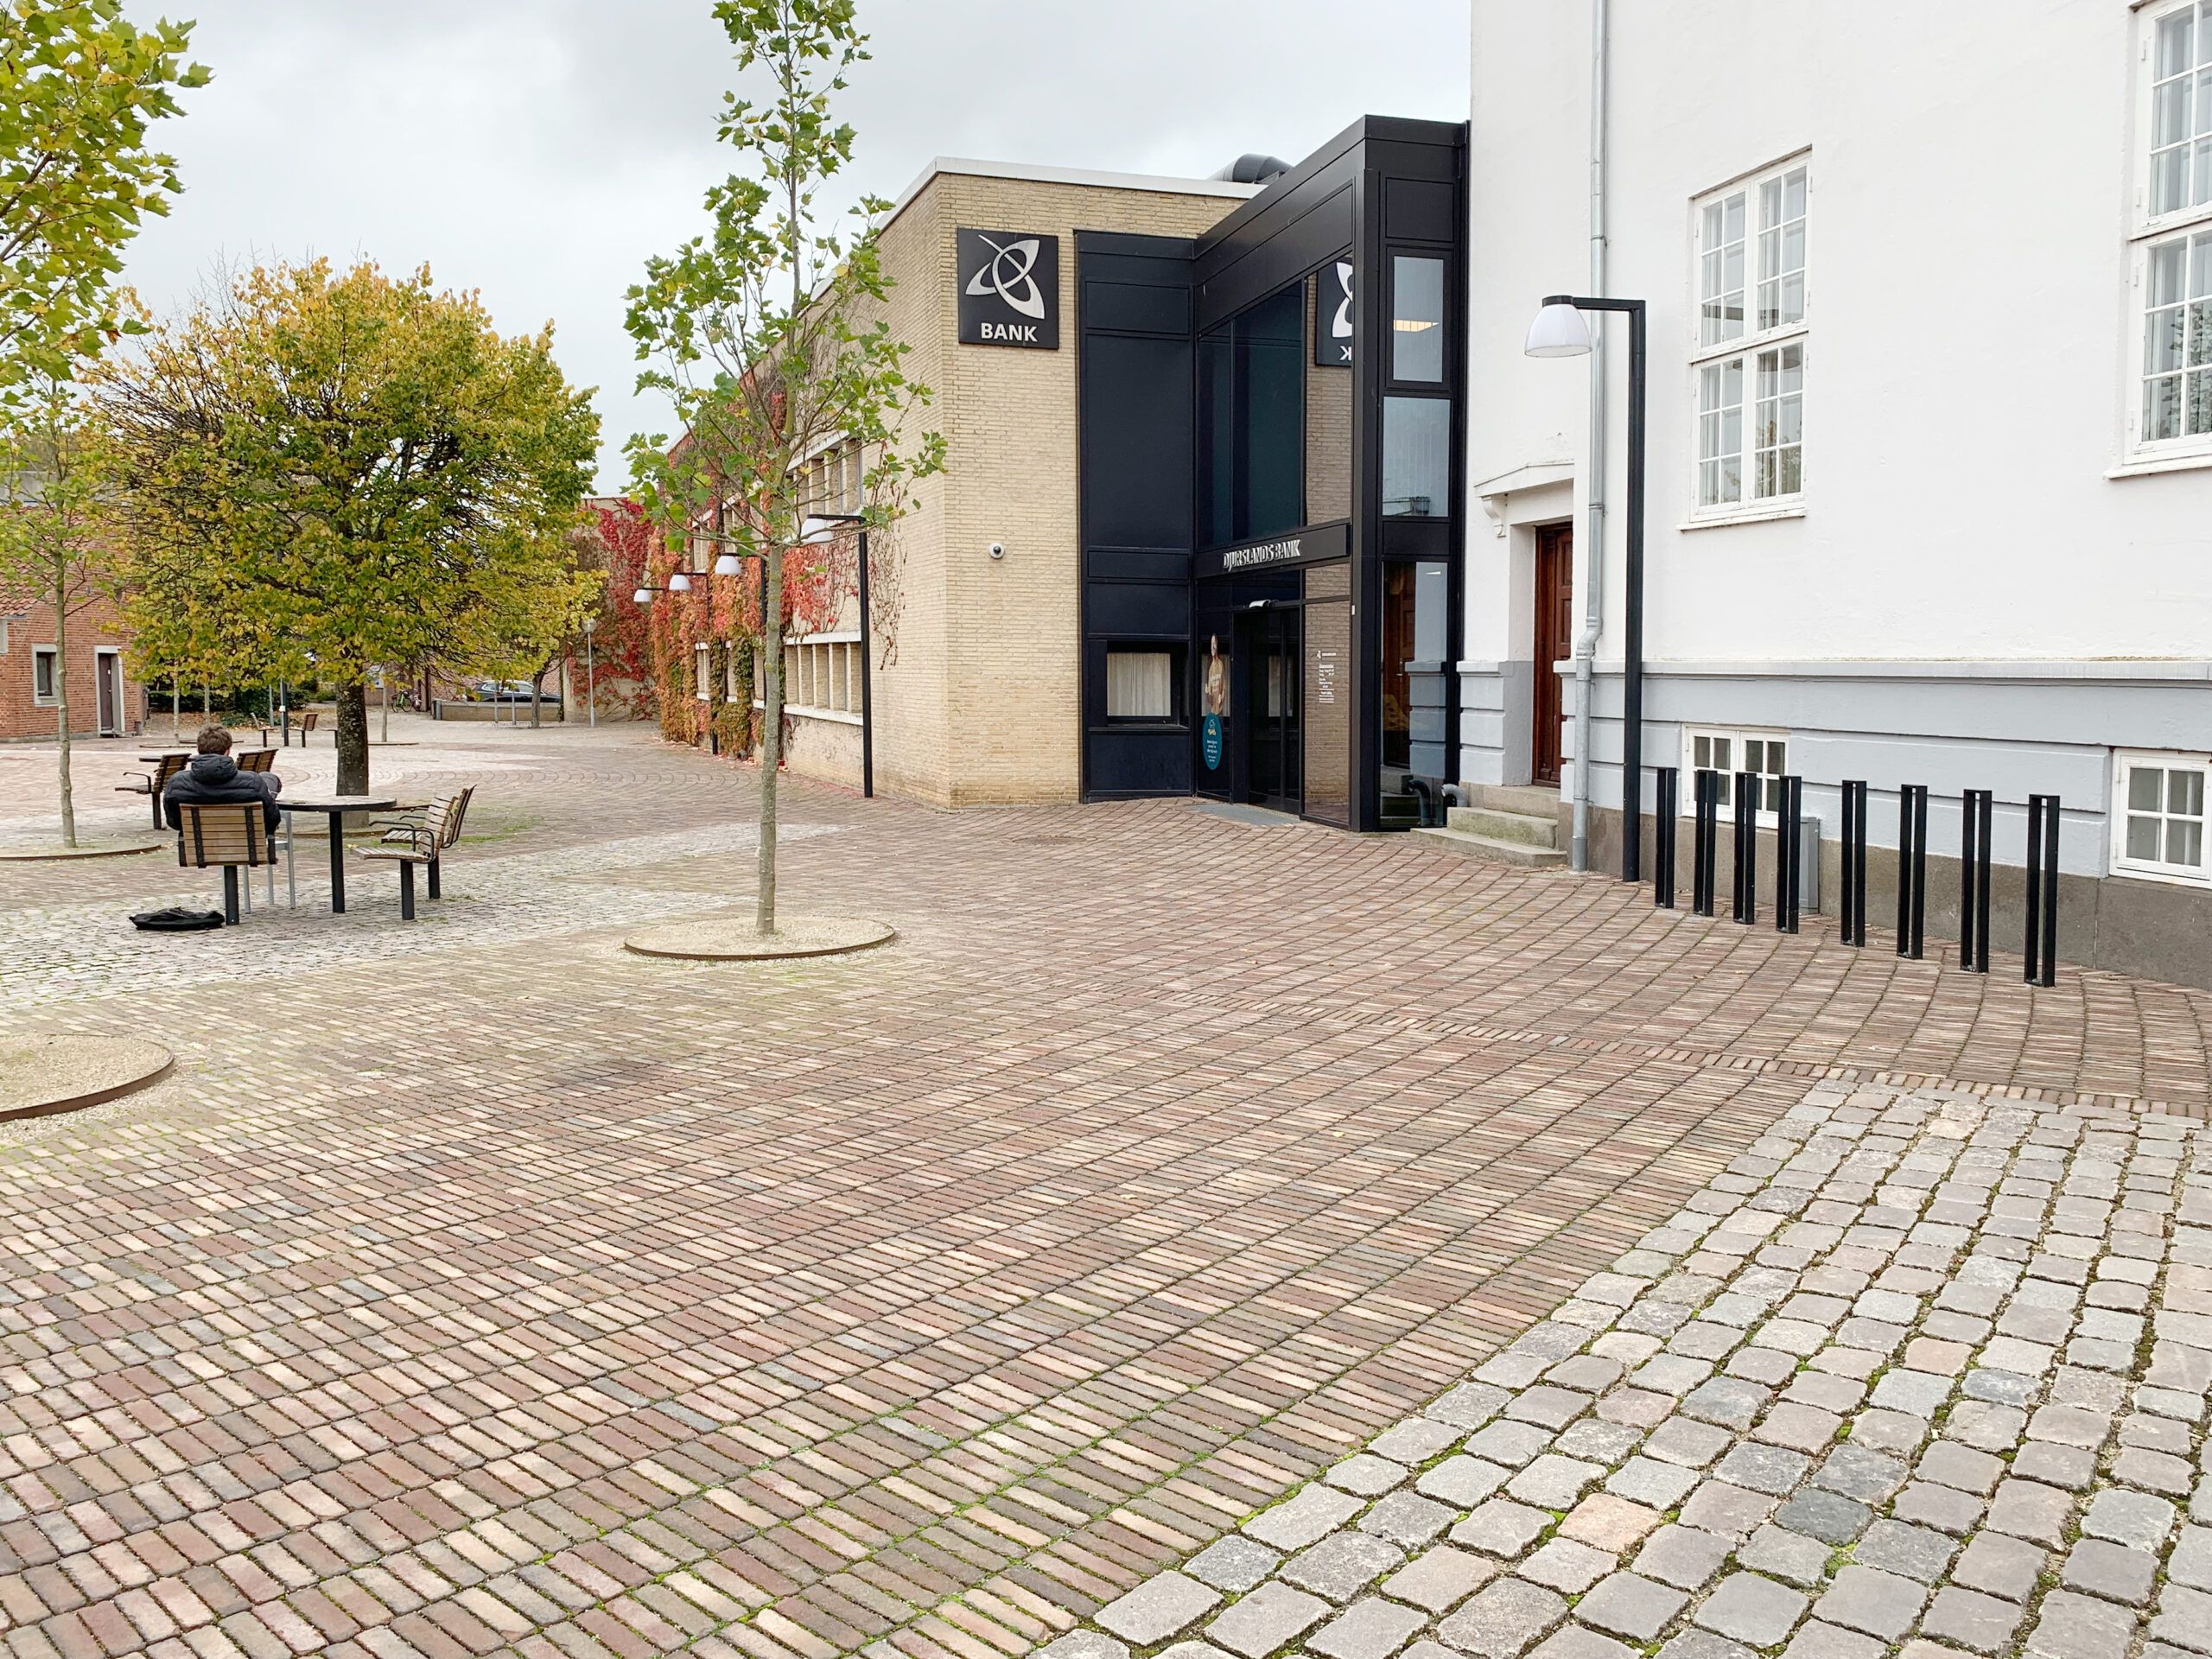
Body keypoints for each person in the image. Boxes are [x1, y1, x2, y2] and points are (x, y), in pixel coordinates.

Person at [163, 725, 282, 831]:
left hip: (198, 844)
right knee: (268, 778)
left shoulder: (177, 783)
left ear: (199, 749)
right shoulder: (252, 782)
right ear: (228, 751)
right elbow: (272, 820)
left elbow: (174, 822)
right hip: (247, 844)